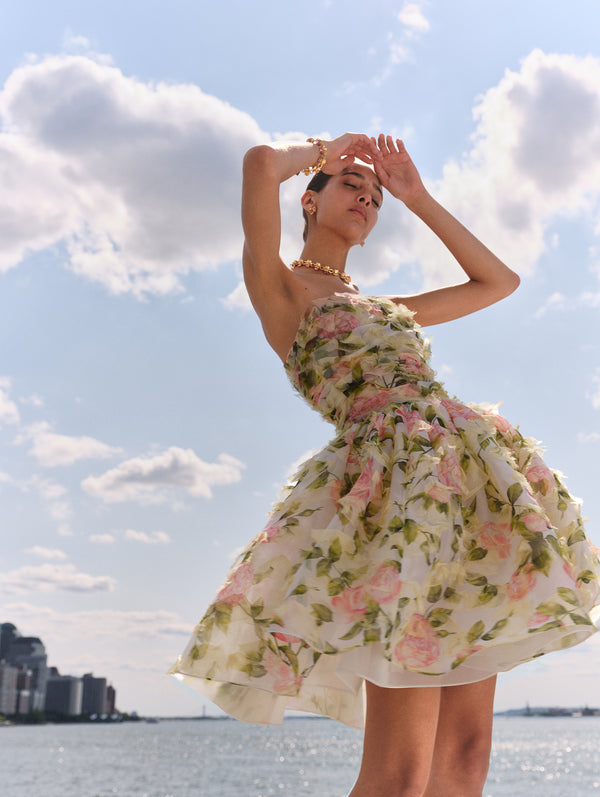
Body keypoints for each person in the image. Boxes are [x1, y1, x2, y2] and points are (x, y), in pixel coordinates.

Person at [170, 134, 600, 796]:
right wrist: (323, 152)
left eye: (373, 198)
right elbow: (259, 164)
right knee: (399, 772)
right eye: (351, 186)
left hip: (468, 492)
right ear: (309, 201)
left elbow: (499, 282)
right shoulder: (279, 285)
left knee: (467, 750)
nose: (366, 199)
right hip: (395, 507)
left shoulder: (387, 310)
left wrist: (416, 196)